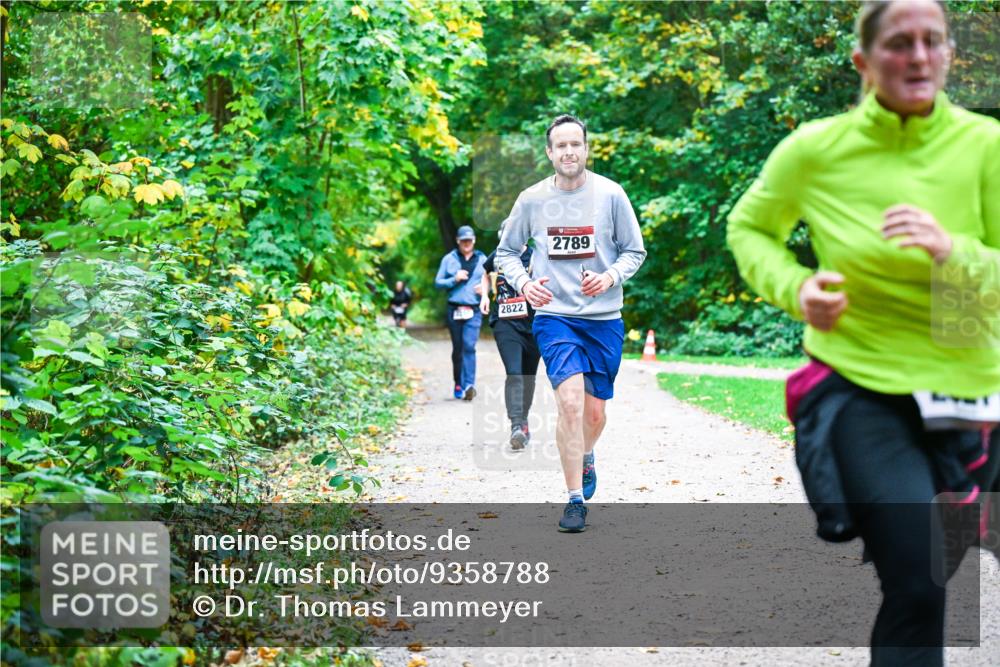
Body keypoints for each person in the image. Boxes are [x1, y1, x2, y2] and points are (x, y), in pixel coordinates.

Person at [727, 2, 999, 664]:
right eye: (900, 42)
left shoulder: (985, 147)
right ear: (863, 60)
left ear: (949, 55)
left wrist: (951, 250)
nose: (918, 56)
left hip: (974, 388)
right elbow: (749, 227)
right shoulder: (815, 150)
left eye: (933, 42)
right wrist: (797, 288)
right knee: (919, 582)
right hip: (862, 386)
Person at [496, 114, 646, 532]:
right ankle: (574, 499)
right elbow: (506, 253)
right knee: (570, 403)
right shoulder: (531, 199)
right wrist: (525, 284)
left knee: (594, 416)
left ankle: (585, 454)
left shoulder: (612, 196)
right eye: (559, 146)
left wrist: (609, 277)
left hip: (603, 319)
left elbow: (634, 251)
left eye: (574, 144)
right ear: (549, 153)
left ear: (586, 148)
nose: (568, 152)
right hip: (554, 316)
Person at [479, 223, 541, 450]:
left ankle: (523, 421)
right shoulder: (497, 256)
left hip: (534, 323)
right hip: (505, 323)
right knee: (514, 373)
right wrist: (485, 296)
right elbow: (485, 274)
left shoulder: (536, 257)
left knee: (529, 376)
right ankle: (516, 425)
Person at [435, 225, 487, 400]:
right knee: (458, 349)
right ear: (458, 241)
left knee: (469, 346)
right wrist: (453, 279)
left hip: (474, 310)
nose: (466, 243)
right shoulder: (449, 259)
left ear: (474, 241)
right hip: (454, 309)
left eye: (469, 240)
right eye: (463, 240)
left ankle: (469, 385)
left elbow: (494, 280)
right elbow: (438, 283)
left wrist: (487, 290)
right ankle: (458, 382)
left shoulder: (482, 259)